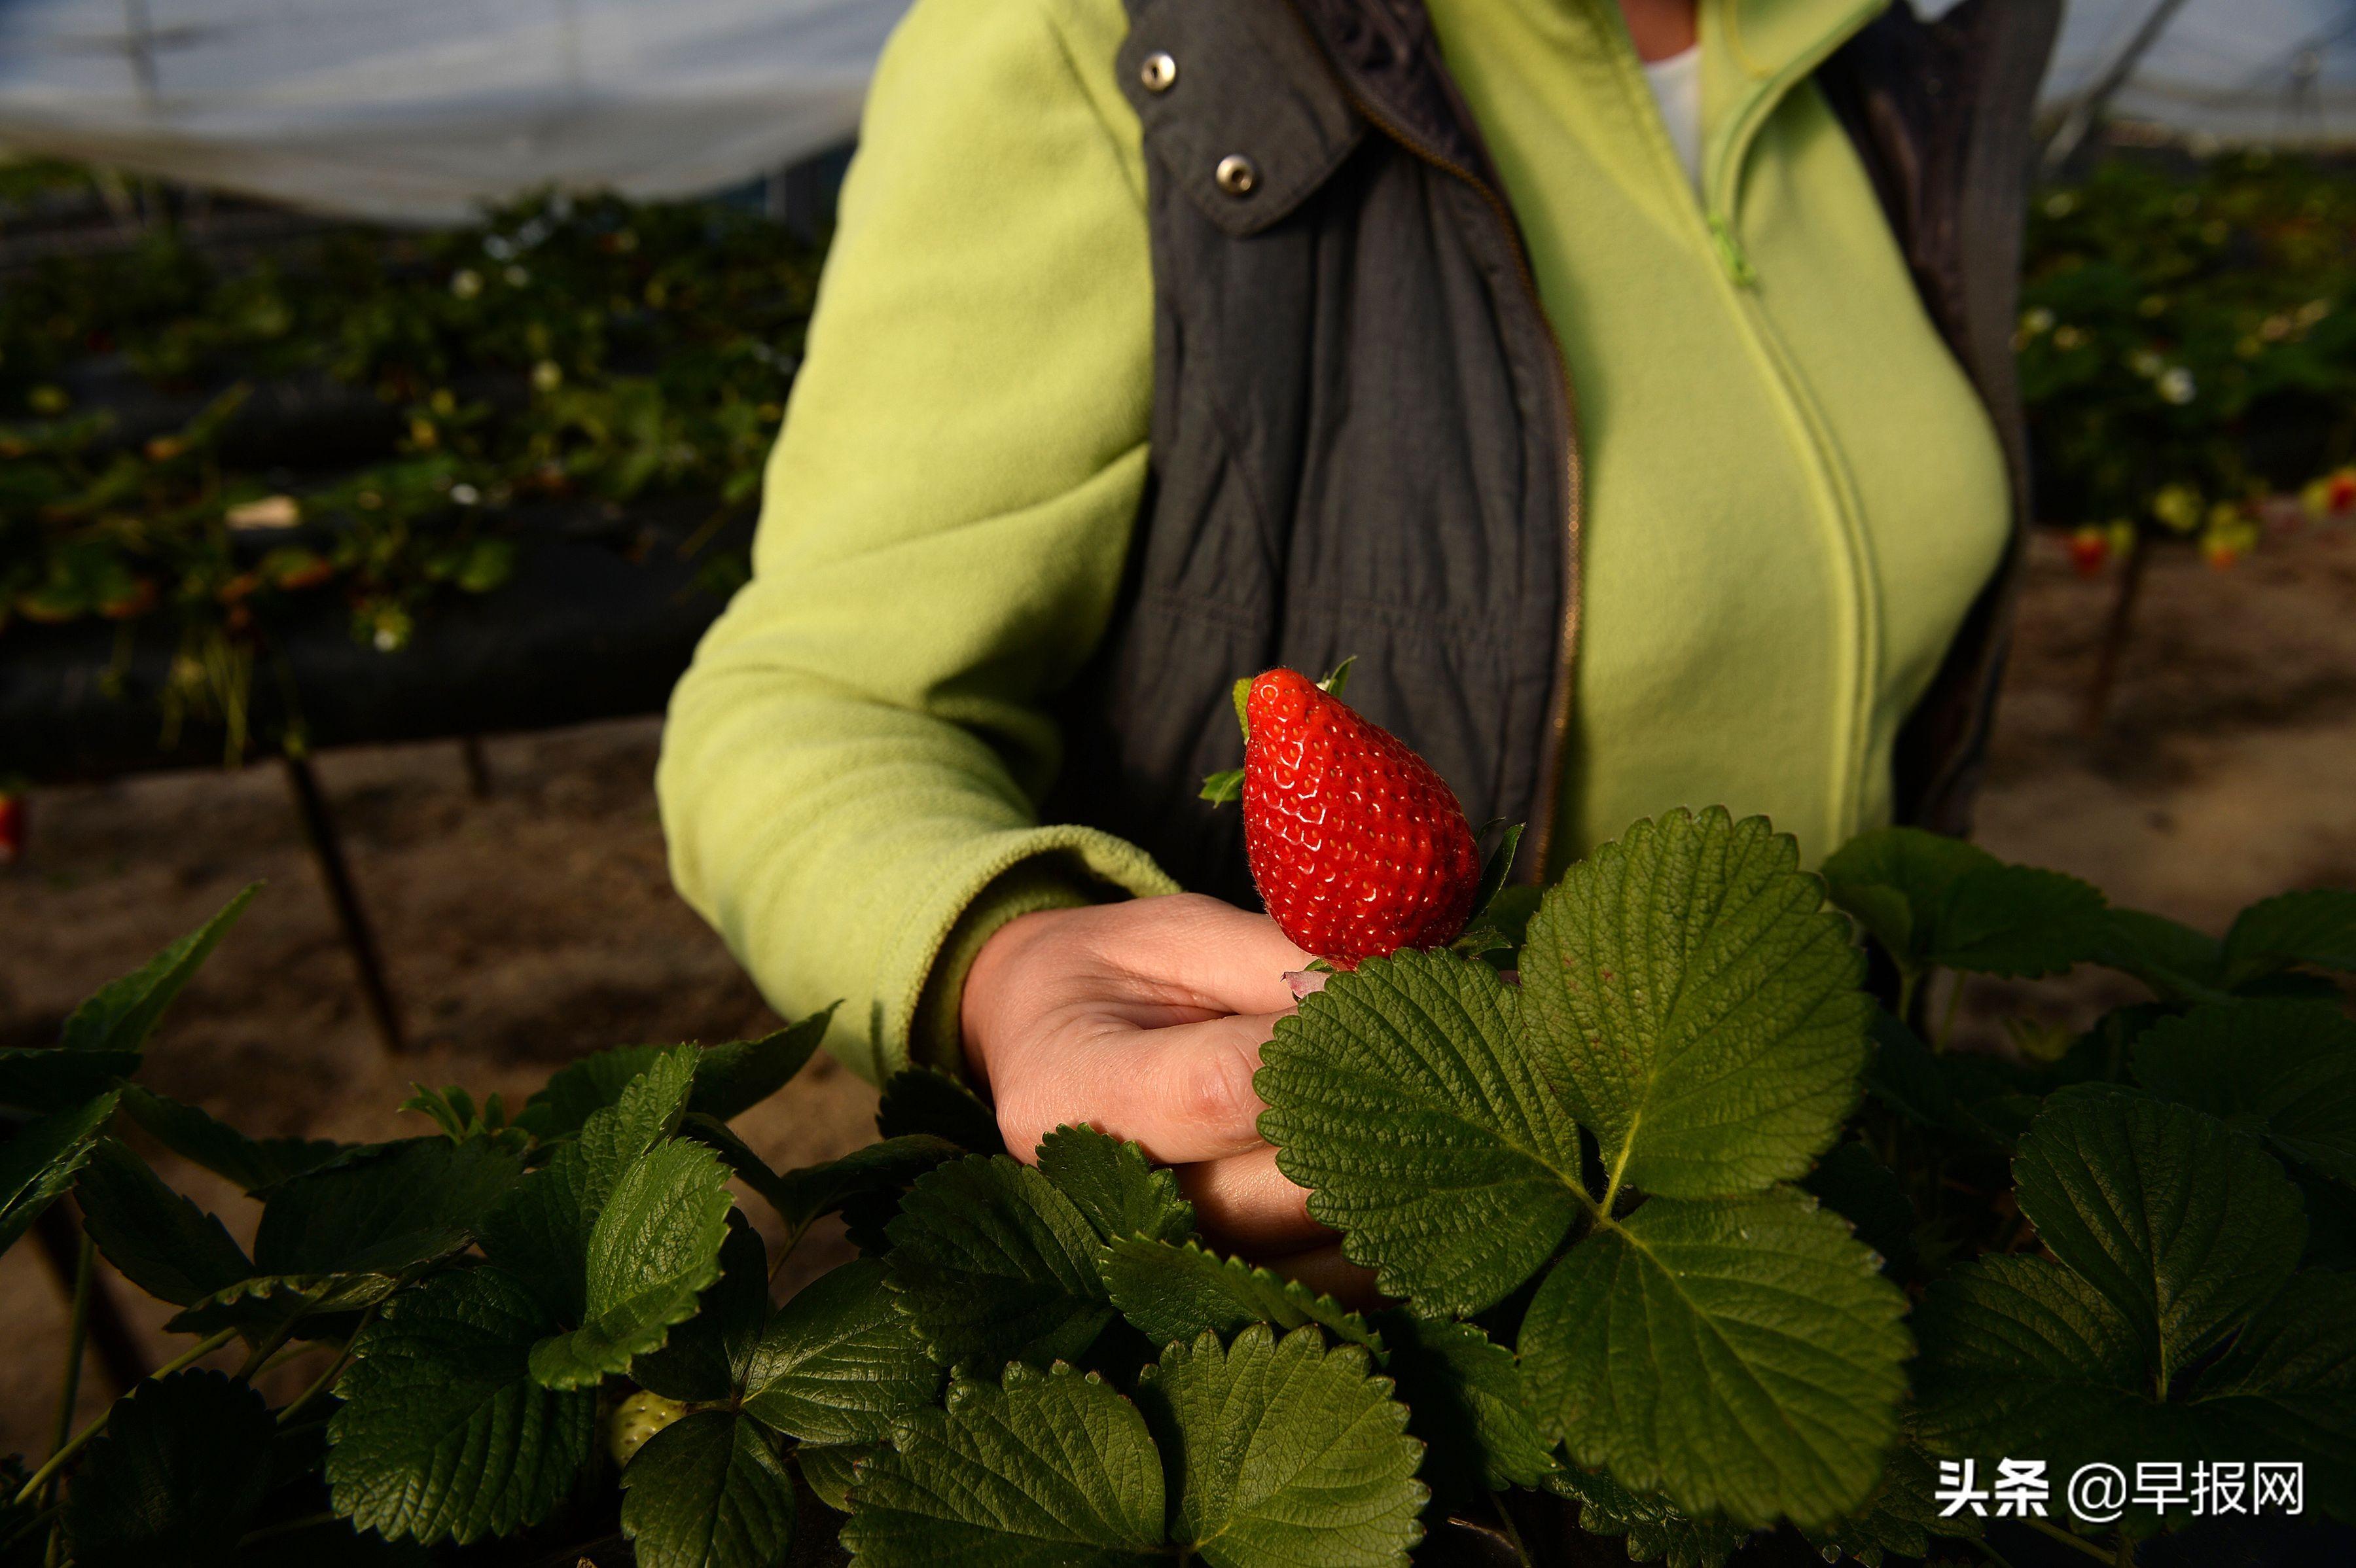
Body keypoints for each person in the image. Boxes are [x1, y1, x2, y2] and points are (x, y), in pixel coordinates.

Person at [658, 0, 2060, 1286]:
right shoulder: (1132, 37)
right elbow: (809, 696)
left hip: (1811, 1242)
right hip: (1404, 1284)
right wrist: (1003, 961)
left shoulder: (1865, 64)